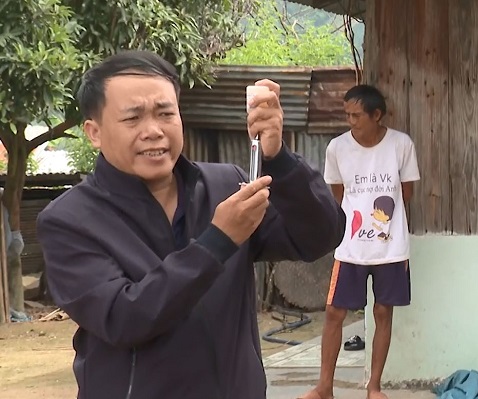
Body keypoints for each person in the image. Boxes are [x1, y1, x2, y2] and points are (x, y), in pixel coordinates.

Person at [36, 50, 345, 399]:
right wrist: (217, 241)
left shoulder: (225, 186)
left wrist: (280, 160)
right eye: (132, 118)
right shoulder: (69, 220)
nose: (153, 131)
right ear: (94, 132)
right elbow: (123, 318)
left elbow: (320, 236)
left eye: (165, 113)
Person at [301, 84, 420, 399]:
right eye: (347, 114)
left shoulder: (401, 145)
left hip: (391, 247)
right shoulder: (337, 148)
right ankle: (324, 387)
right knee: (334, 313)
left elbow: (405, 194)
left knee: (383, 312)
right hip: (350, 246)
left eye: (356, 115)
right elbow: (337, 197)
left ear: (376, 115)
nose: (350, 120)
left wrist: (385, 226)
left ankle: (374, 387)